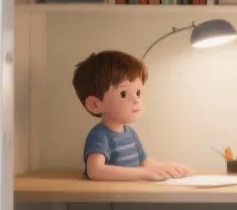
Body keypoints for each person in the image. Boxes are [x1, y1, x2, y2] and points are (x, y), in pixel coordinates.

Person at [71, 50, 191, 181]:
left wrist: (168, 168)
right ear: (95, 104)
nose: (136, 100)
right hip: (109, 198)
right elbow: (95, 171)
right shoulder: (100, 135)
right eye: (123, 94)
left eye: (138, 92)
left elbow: (144, 162)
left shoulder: (130, 134)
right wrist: (144, 173)